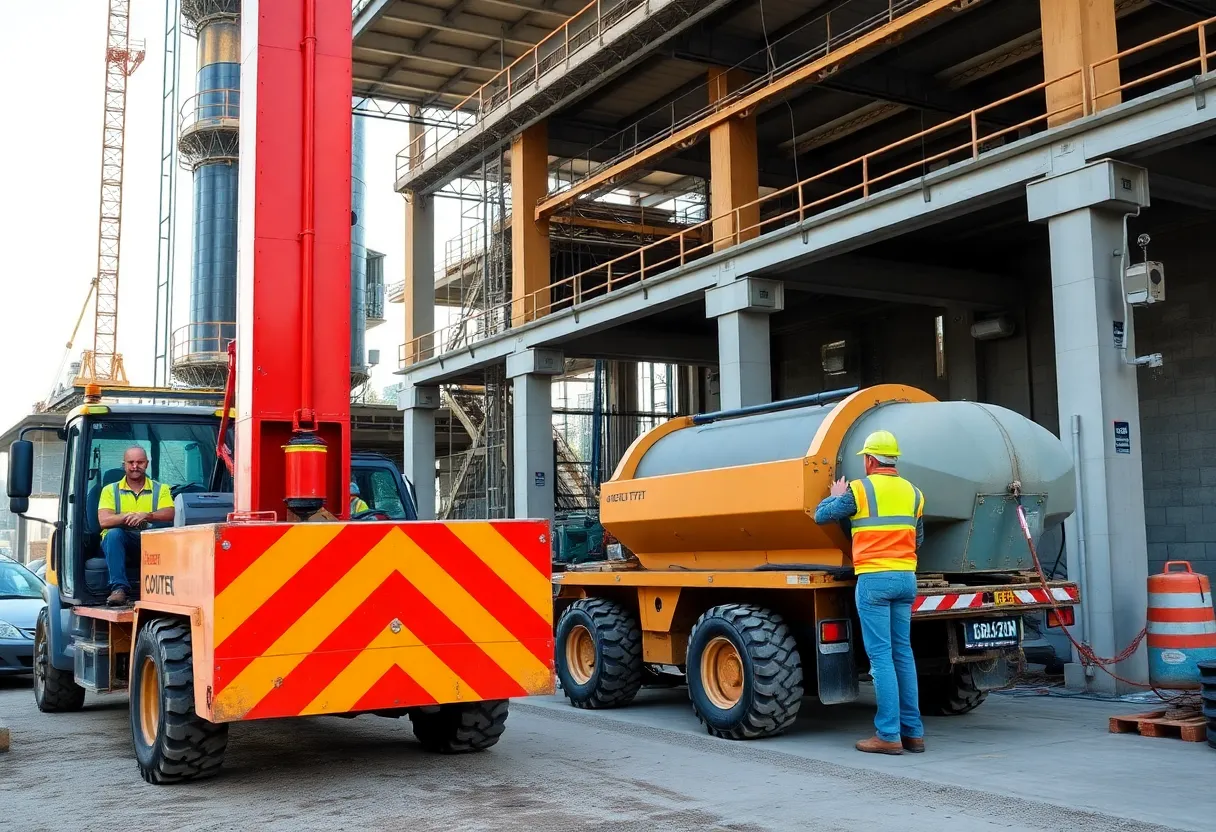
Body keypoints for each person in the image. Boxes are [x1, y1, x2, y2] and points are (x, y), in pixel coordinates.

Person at [813, 429, 926, 755]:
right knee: (903, 655)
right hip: (906, 579)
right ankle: (913, 733)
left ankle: (888, 735)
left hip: (875, 580)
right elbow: (917, 539)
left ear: (871, 459)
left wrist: (835, 494)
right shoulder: (915, 493)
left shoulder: (859, 490)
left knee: (881, 659)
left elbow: (822, 516)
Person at [97, 446, 174, 606]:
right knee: (113, 534)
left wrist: (146, 515)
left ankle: (163, 590)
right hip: (121, 540)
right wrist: (128, 516)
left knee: (163, 533)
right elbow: (104, 521)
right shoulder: (110, 490)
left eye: (140, 462)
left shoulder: (162, 489)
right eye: (130, 462)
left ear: (147, 464)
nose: (135, 466)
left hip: (151, 540)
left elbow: (170, 513)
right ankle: (119, 589)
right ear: (124, 464)